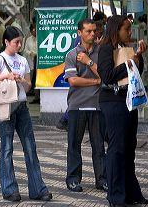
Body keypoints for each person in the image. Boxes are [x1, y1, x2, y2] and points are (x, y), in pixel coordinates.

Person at [0, 26, 52, 202]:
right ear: (6, 42)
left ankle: (38, 189)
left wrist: (21, 80)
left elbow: (29, 85)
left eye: (20, 42)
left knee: (30, 147)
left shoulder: (22, 60)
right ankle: (9, 189)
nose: (19, 45)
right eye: (16, 42)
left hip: (21, 106)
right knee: (6, 148)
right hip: (5, 106)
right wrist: (4, 76)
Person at [98, 15, 148, 206]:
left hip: (128, 100)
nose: (130, 33)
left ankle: (133, 194)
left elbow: (136, 72)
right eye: (126, 29)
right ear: (116, 30)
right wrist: (129, 63)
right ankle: (116, 196)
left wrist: (138, 57)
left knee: (130, 147)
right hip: (112, 102)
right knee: (117, 149)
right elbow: (107, 76)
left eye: (130, 29)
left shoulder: (127, 49)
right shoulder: (106, 48)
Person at [63, 19, 107, 193]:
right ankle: (73, 179)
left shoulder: (101, 53)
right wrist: (96, 81)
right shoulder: (71, 55)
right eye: (88, 31)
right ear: (79, 33)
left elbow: (106, 76)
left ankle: (102, 179)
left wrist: (89, 62)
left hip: (97, 106)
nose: (92, 34)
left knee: (98, 145)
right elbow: (73, 81)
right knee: (74, 144)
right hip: (76, 106)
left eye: (94, 31)